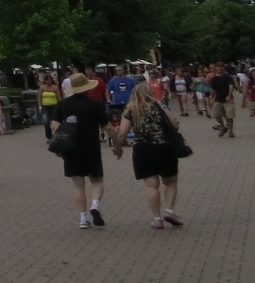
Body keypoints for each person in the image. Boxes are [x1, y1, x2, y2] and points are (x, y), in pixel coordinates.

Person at [114, 82, 183, 229]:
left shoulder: (131, 109)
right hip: (164, 147)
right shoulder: (159, 105)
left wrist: (118, 148)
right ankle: (170, 211)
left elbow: (122, 133)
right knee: (170, 182)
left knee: (151, 185)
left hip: (142, 149)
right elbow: (174, 124)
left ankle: (157, 218)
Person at [52, 72, 110, 229]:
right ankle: (95, 204)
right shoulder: (95, 105)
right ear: (87, 88)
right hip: (91, 147)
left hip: (71, 148)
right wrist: (117, 143)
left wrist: (58, 146)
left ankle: (83, 218)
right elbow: (107, 126)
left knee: (78, 185)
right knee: (96, 180)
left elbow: (55, 126)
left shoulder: (62, 105)